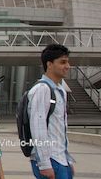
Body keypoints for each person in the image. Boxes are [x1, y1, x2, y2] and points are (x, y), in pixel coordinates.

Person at [29, 44, 75, 179]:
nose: (67, 66)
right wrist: (44, 164)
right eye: (62, 62)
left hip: (61, 159)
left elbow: (60, 128)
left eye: (67, 61)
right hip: (50, 160)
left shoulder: (60, 90)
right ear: (49, 64)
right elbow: (38, 128)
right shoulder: (42, 89)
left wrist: (68, 159)